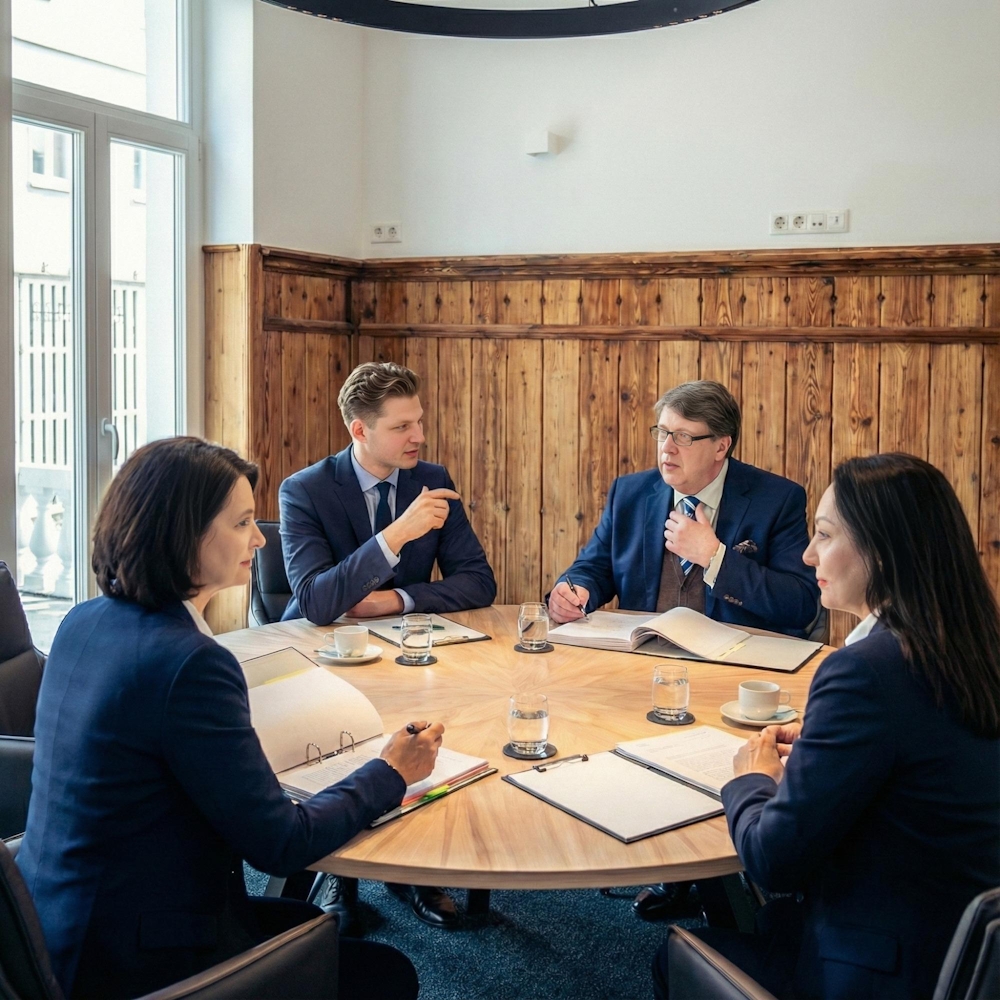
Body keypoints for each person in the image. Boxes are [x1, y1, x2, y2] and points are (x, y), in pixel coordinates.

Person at [15, 437, 435, 1000]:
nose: (259, 538)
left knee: (313, 926)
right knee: (388, 975)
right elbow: (281, 845)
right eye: (241, 523)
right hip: (140, 961)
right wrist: (392, 771)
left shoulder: (82, 622)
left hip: (49, 932)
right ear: (183, 534)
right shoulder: (191, 663)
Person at [653, 453, 1000, 999]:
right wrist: (825, 752)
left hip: (876, 969)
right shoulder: (971, 648)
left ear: (883, 550)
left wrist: (753, 777)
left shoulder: (864, 671)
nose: (808, 554)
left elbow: (772, 862)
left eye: (824, 535)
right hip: (960, 946)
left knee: (672, 954)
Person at [548, 379, 820, 920]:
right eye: (662, 433)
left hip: (732, 676)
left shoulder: (776, 499)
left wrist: (716, 557)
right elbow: (596, 565)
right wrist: (573, 589)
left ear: (722, 445)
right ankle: (667, 865)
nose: (666, 449)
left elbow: (800, 603)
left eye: (683, 437)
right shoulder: (632, 491)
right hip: (641, 667)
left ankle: (714, 873)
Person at [279, 361, 497, 930]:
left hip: (410, 649)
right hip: (320, 657)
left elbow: (479, 581)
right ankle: (340, 875)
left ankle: (414, 869)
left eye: (418, 422)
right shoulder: (304, 490)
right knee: (347, 739)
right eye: (402, 427)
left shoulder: (432, 477)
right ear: (359, 430)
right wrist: (397, 534)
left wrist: (393, 601)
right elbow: (316, 601)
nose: (418, 437)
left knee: (428, 727)